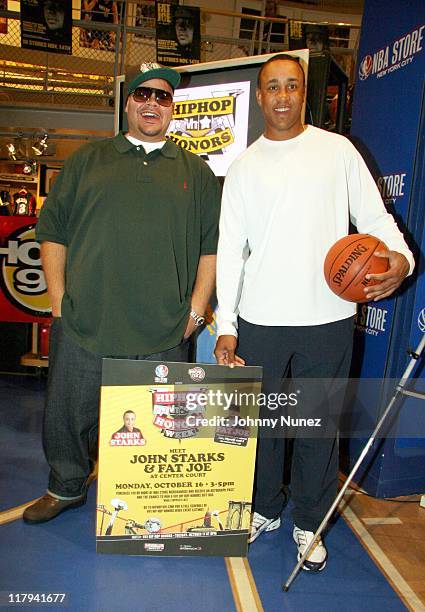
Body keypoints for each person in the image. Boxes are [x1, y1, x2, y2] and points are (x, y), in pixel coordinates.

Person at [214, 54, 414, 572]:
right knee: (266, 426)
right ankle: (264, 509)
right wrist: (227, 326)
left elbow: (377, 219)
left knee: (318, 426)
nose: (282, 96)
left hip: (327, 319)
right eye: (272, 88)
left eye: (292, 87)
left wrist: (402, 258)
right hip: (261, 320)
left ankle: (310, 521)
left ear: (305, 94)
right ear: (259, 98)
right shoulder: (243, 167)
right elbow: (231, 250)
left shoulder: (337, 151)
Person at [23, 62, 221, 524]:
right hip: (87, 320)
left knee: (158, 425)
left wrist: (195, 311)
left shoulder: (196, 173)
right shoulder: (86, 161)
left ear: (172, 108)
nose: (152, 103)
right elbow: (53, 233)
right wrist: (58, 302)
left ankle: (146, 501)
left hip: (163, 328)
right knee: (67, 416)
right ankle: (65, 487)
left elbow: (211, 249)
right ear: (128, 102)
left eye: (162, 97)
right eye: (143, 94)